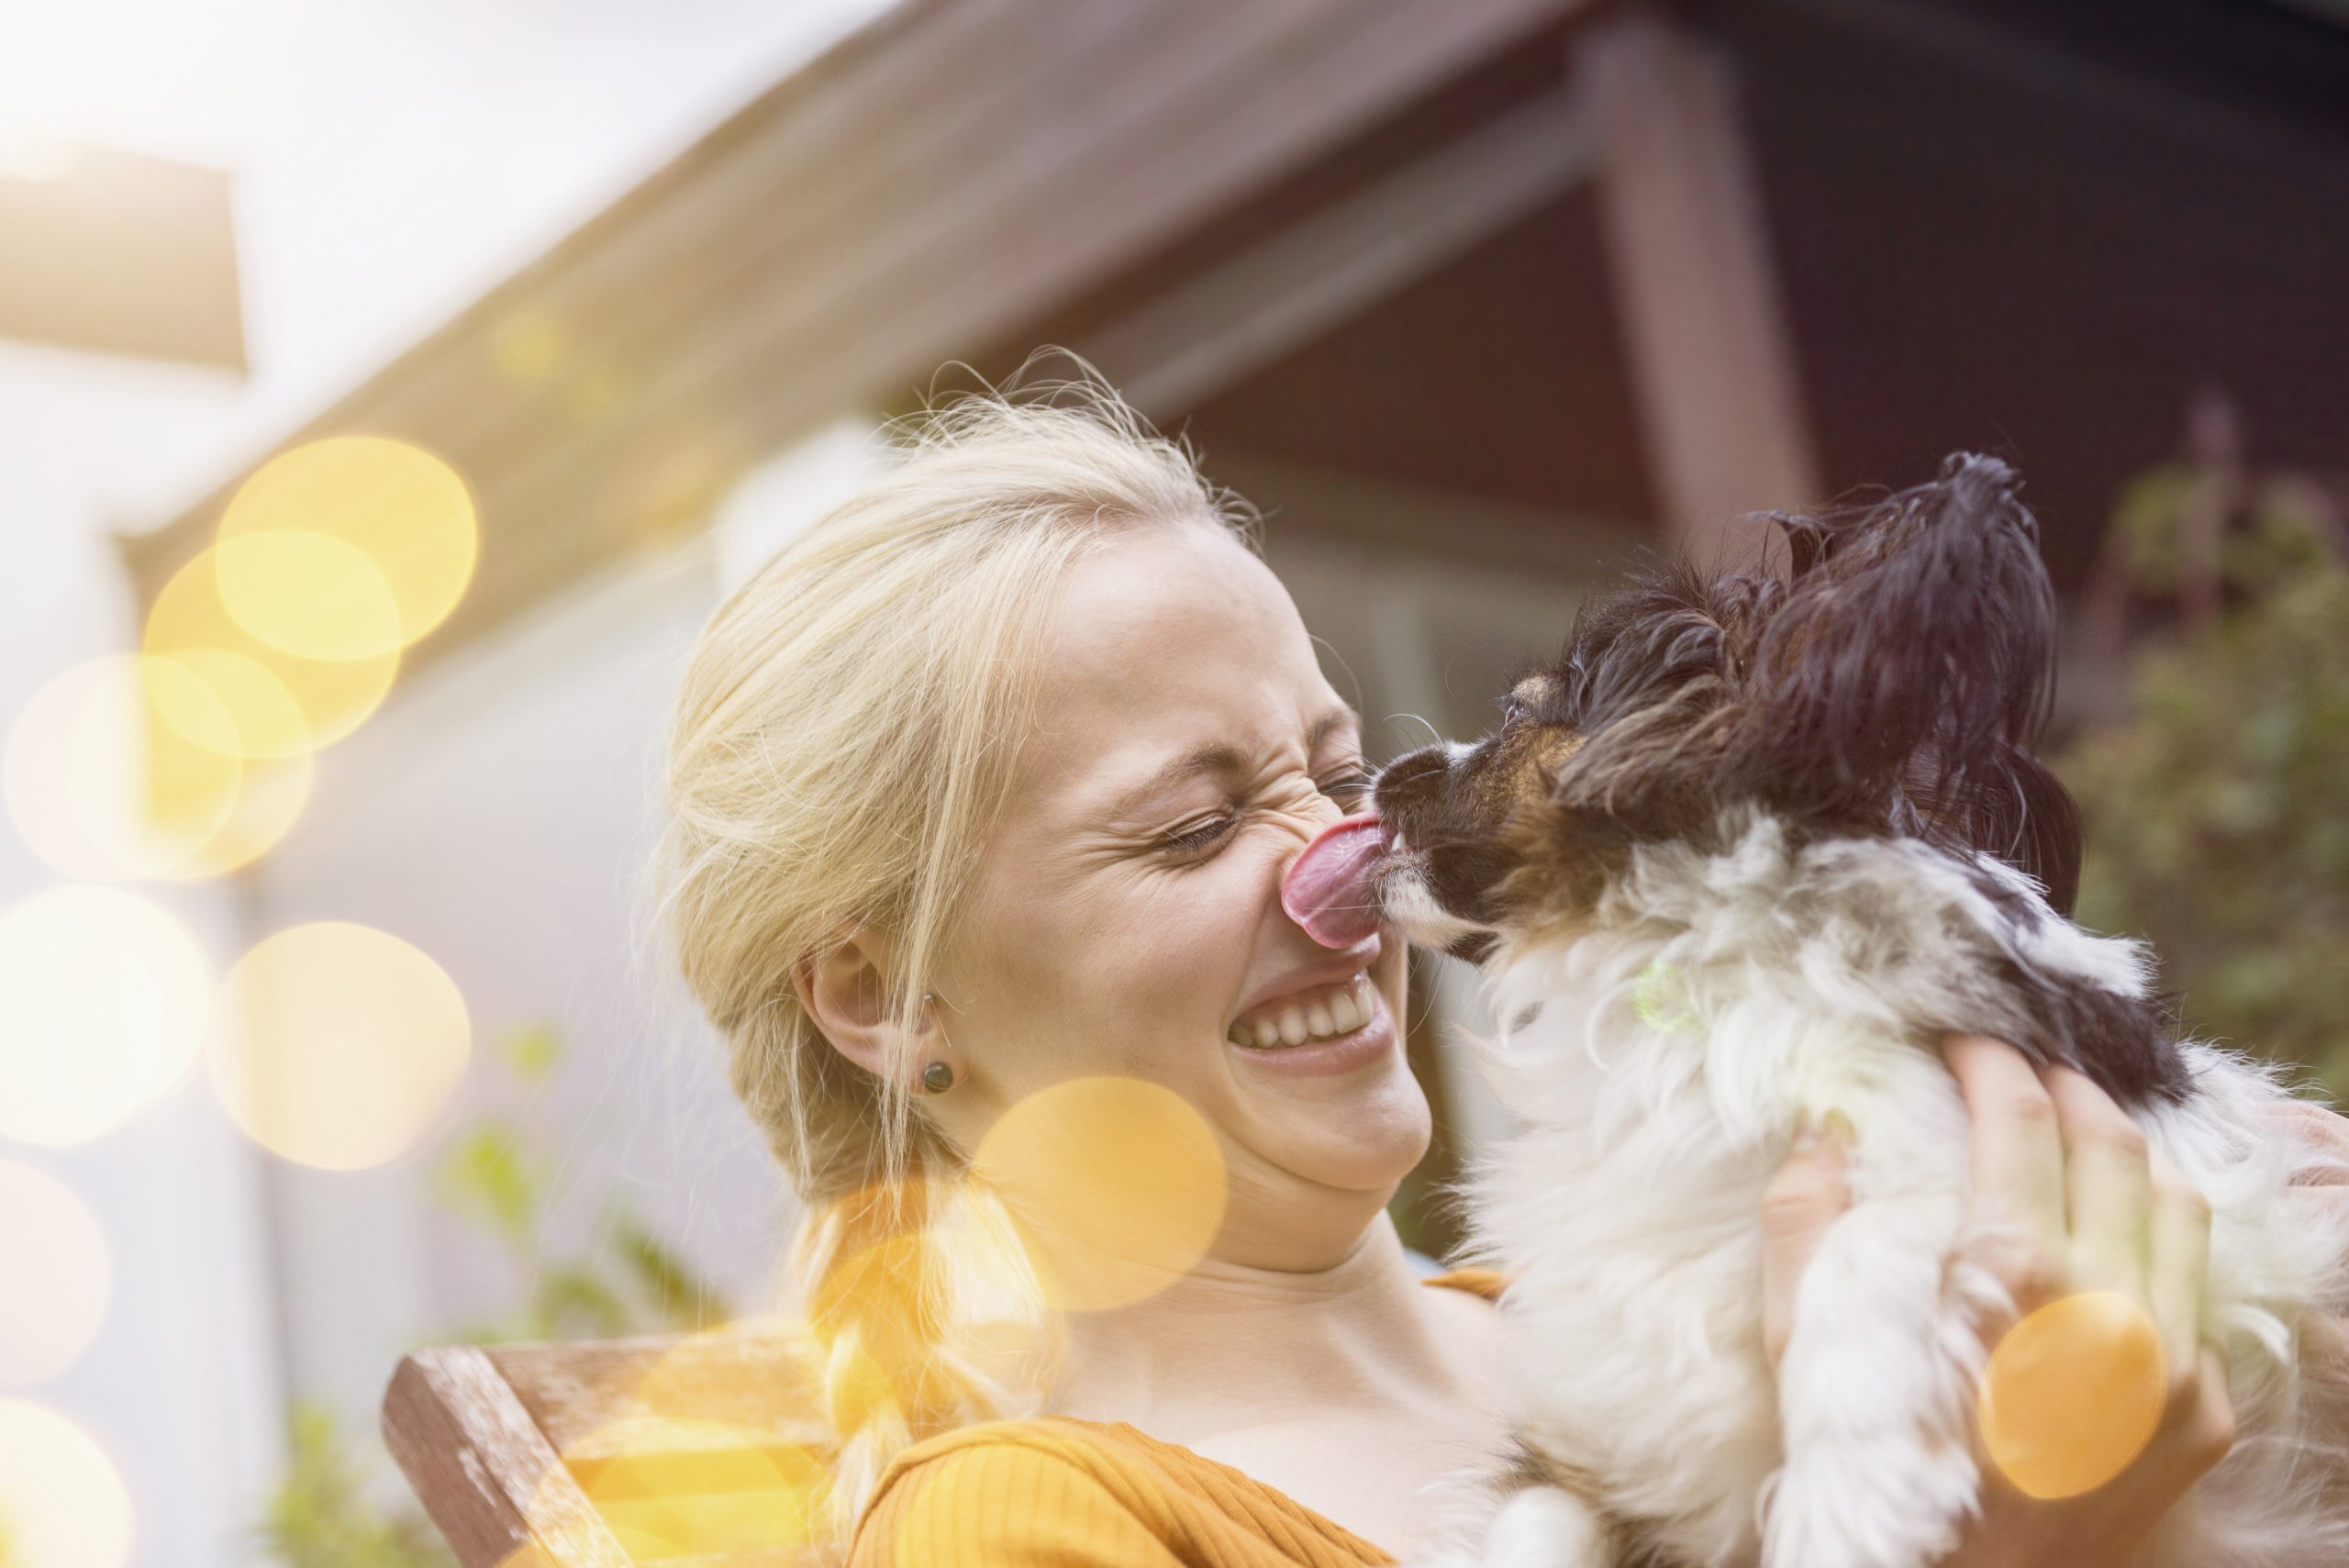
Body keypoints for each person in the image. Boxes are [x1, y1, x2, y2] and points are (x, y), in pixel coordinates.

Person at [659, 375, 2349, 1567]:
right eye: (1193, 828)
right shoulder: (1017, 1528)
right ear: (878, 995)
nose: (1342, 874)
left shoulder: (1634, 1330)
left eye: (1340, 774)